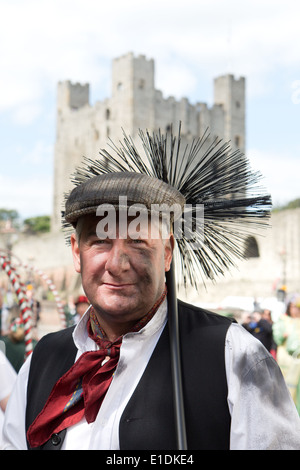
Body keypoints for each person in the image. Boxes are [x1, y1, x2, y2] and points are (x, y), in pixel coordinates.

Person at [2, 129, 300, 450]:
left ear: (167, 252)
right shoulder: (41, 361)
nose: (118, 263)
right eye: (100, 241)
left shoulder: (234, 357)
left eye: (138, 241)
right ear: (77, 252)